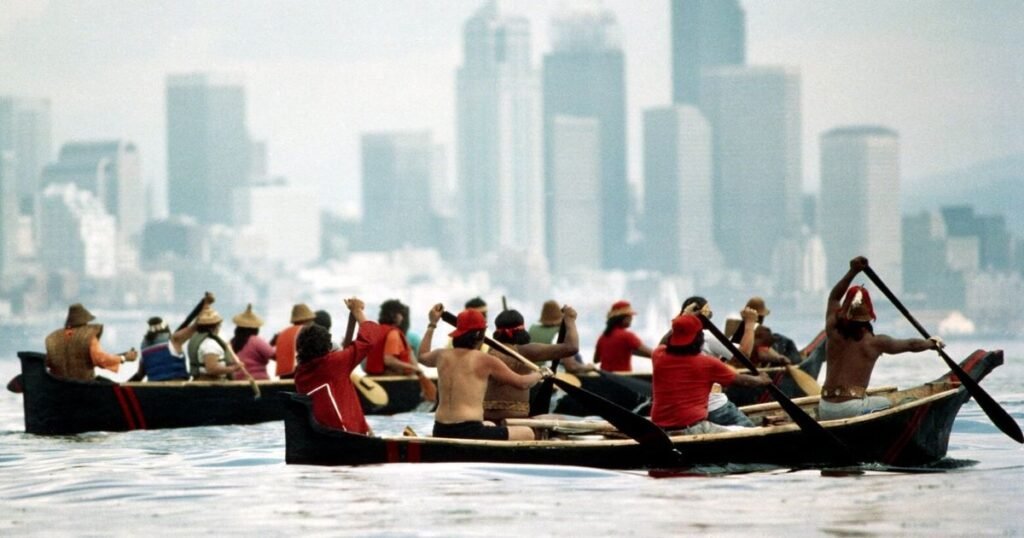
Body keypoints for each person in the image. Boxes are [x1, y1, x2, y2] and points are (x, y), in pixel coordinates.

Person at [819, 256, 944, 420]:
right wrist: (932, 343)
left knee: (871, 401)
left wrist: (853, 271)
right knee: (887, 402)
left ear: (844, 311)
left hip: (825, 407)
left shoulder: (832, 330)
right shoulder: (875, 343)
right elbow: (912, 344)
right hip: (851, 409)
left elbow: (834, 297)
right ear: (868, 316)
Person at [418, 305, 549, 441]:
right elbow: (522, 383)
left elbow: (422, 356)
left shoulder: (441, 355)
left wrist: (432, 324)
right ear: (479, 335)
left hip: (440, 429)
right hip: (469, 430)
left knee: (489, 424)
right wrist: (541, 373)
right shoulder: (484, 360)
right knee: (528, 433)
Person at [650, 314, 771, 435]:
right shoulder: (706, 363)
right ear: (699, 338)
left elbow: (663, 343)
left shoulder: (658, 355)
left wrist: (682, 319)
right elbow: (743, 381)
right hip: (693, 428)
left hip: (660, 431)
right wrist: (761, 380)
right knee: (750, 432)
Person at [658, 296, 756, 428]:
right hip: (712, 407)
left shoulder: (670, 341)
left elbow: (660, 348)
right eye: (708, 312)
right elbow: (743, 355)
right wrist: (750, 324)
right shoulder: (706, 337)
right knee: (749, 429)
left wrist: (684, 316)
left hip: (683, 410)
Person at [294, 298, 384, 435]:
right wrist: (358, 311)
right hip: (347, 436)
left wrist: (352, 318)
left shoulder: (300, 374)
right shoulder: (335, 363)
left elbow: (344, 354)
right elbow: (369, 339)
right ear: (327, 347)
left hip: (321, 435)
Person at [482, 307, 581, 422]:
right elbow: (571, 347)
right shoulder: (525, 351)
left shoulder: (490, 350)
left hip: (487, 417)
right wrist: (570, 320)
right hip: (515, 420)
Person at [44, 303, 138, 381]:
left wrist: (122, 355)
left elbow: (49, 361)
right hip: (83, 387)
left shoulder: (54, 339)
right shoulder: (87, 337)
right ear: (85, 321)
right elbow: (100, 359)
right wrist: (124, 358)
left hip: (60, 387)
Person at [175, 306, 241, 381]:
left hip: (200, 379)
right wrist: (234, 368)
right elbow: (211, 369)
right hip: (211, 382)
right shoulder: (210, 344)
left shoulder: (197, 338)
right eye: (219, 325)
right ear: (214, 327)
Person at [365, 299, 424, 376]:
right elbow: (388, 360)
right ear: (393, 315)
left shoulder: (377, 331)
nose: (402, 318)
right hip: (389, 378)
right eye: (400, 314)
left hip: (373, 376)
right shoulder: (393, 334)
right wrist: (413, 368)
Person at [594, 300, 652, 372]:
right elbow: (651, 354)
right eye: (630, 316)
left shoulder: (602, 337)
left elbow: (596, 360)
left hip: (606, 378)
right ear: (623, 318)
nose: (632, 318)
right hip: (622, 380)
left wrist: (624, 351)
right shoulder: (627, 336)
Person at [271, 303, 316, 379]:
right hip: (302, 376)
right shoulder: (308, 333)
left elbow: (271, 354)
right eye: (311, 321)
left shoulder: (282, 334)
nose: (313, 323)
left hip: (284, 377)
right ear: (306, 320)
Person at [230, 304, 274, 381]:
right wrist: (276, 343)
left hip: (237, 381)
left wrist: (271, 344)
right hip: (258, 381)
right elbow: (274, 356)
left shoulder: (231, 342)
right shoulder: (255, 340)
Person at [128, 317, 175, 382]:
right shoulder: (174, 340)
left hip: (154, 387)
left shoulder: (144, 346)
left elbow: (140, 374)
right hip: (176, 383)